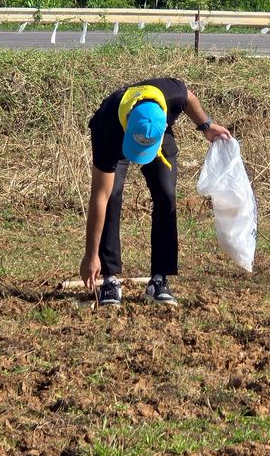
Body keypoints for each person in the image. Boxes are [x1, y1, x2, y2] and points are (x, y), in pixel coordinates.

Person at [80, 78, 231, 306]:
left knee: (166, 194)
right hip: (116, 131)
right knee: (111, 195)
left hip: (156, 131)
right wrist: (91, 255)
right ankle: (109, 280)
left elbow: (189, 97)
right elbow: (99, 197)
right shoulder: (106, 128)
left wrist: (206, 126)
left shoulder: (173, 95)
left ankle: (159, 280)